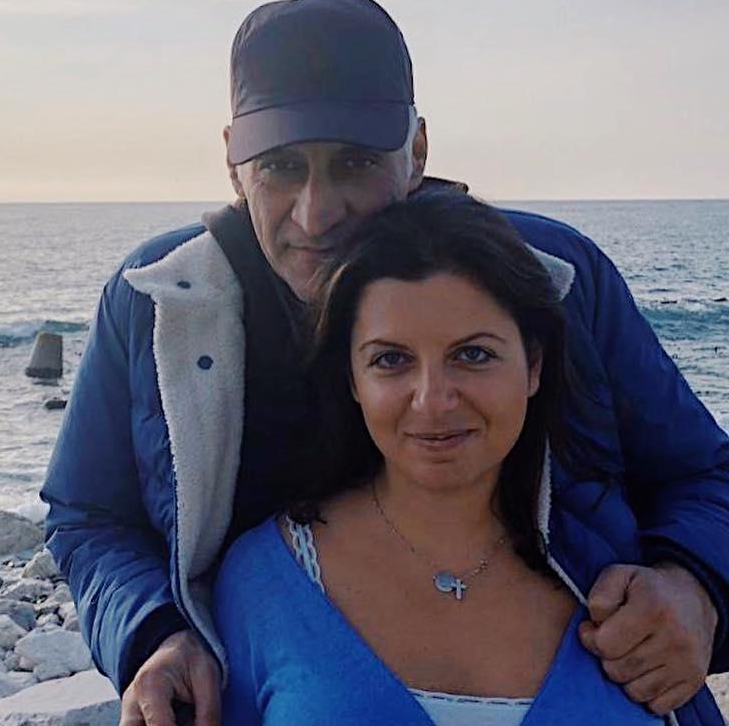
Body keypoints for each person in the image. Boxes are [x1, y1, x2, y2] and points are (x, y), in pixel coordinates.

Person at [42, 0, 729, 726]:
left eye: (355, 162)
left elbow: (702, 471)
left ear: (418, 150)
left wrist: (694, 585)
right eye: (280, 167)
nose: (316, 212)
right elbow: (89, 513)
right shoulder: (160, 301)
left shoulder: (550, 277)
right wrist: (151, 633)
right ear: (233, 162)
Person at [214, 189, 721, 724]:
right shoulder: (263, 581)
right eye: (391, 360)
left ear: (533, 366)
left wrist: (699, 593)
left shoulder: (624, 580)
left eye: (473, 354)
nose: (432, 401)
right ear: (352, 379)